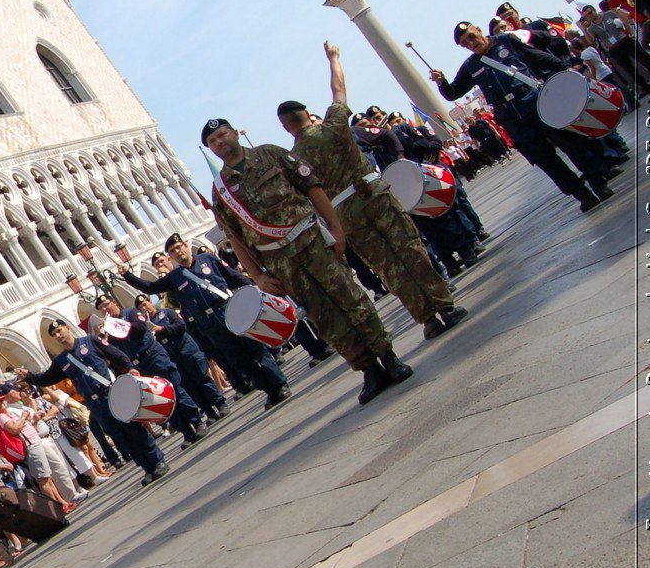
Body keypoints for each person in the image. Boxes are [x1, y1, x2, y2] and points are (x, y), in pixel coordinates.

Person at [202, 117, 412, 405]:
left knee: (352, 299)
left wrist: (336, 228)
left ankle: (389, 358)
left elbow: (312, 187)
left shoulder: (271, 154)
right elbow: (236, 239)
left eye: (222, 134)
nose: (219, 142)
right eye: (213, 141)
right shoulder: (221, 191)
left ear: (235, 133)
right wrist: (259, 277)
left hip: (313, 244)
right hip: (283, 265)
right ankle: (368, 368)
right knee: (324, 317)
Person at [279, 43, 467, 340]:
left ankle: (427, 319)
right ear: (305, 113)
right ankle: (445, 306)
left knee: (388, 266)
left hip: (346, 213)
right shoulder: (334, 126)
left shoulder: (295, 157)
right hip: (374, 194)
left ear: (287, 128)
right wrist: (334, 59)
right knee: (410, 250)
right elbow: (339, 88)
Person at [431, 22, 618, 211]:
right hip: (514, 120)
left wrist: (566, 67)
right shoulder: (471, 66)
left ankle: (598, 183)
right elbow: (453, 92)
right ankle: (581, 194)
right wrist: (442, 82)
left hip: (536, 104)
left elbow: (536, 57)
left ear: (478, 30)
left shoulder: (506, 41)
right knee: (546, 161)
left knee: (572, 145)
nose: (471, 43)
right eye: (465, 43)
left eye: (471, 36)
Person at [120, 236, 290, 408]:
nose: (178, 252)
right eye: (173, 251)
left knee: (256, 350)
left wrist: (256, 290)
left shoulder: (207, 259)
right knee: (239, 360)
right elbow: (149, 288)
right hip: (210, 324)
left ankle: (280, 384)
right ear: (170, 256)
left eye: (179, 247)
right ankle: (269, 390)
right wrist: (127, 275)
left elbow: (233, 276)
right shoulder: (174, 277)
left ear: (186, 246)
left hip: (229, 310)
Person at [22, 320, 171, 480]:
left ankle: (157, 461)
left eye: (59, 331)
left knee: (134, 430)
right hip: (95, 404)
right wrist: (29, 377)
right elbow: (46, 378)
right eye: (54, 334)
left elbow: (114, 354)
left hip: (110, 393)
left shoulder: (90, 341)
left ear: (67, 328)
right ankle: (147, 467)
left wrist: (129, 367)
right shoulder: (61, 361)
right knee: (120, 438)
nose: (58, 336)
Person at [91, 292, 207, 443]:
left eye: (106, 304)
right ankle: (185, 430)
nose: (105, 309)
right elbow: (112, 352)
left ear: (113, 302)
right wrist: (104, 337)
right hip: (139, 364)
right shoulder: (108, 328)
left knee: (174, 388)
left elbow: (139, 328)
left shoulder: (131, 313)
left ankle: (197, 421)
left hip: (153, 356)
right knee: (160, 398)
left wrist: (116, 326)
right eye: (101, 308)